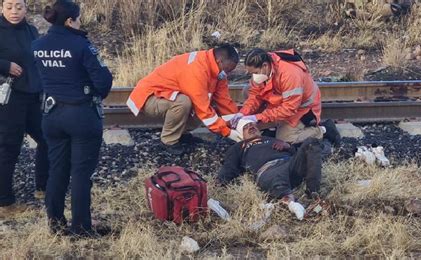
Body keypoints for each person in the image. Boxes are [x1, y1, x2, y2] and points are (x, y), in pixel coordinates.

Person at [31, 0, 113, 236]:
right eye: (78, 19)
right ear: (69, 21)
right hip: (82, 116)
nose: (79, 22)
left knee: (57, 170)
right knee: (80, 173)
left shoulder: (38, 45)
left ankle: (55, 225)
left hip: (51, 115)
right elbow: (103, 84)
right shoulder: (81, 45)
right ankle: (81, 228)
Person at [127, 44, 241, 155]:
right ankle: (168, 141)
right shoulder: (197, 69)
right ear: (220, 61)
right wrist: (228, 132)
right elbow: (203, 109)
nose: (227, 73)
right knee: (184, 102)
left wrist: (236, 124)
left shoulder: (218, 71)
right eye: (227, 70)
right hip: (149, 98)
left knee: (201, 102)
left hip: (167, 96)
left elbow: (224, 100)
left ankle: (181, 134)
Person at [0, 0, 49, 218]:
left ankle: (43, 187)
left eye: (19, 6)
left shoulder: (31, 30)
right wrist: (4, 65)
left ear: (26, 8)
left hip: (32, 97)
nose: (14, 11)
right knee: (9, 147)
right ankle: (4, 203)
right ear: (1, 8)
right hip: (9, 99)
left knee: (47, 138)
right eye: (9, 6)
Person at [217, 119, 323, 218]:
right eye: (246, 127)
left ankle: (313, 194)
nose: (251, 127)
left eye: (253, 125)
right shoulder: (239, 147)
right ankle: (289, 202)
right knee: (277, 178)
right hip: (268, 170)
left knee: (311, 142)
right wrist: (219, 184)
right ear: (241, 134)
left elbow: (299, 155)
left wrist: (288, 147)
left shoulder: (271, 139)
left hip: (289, 163)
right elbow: (229, 167)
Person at [231, 48, 338, 145]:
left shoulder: (290, 74)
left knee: (285, 138)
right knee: (247, 91)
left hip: (302, 109)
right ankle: (275, 123)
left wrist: (258, 117)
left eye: (255, 72)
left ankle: (322, 130)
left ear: (265, 66)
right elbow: (255, 95)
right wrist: (243, 113)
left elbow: (289, 109)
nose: (254, 76)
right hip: (281, 100)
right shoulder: (264, 68)